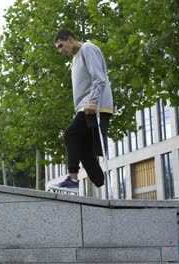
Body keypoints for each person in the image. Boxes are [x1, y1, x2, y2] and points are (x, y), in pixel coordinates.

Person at [52, 29, 114, 191]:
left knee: (71, 134)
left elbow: (99, 77)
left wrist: (93, 101)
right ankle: (101, 183)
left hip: (94, 107)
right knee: (85, 151)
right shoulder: (75, 59)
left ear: (70, 39)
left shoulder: (88, 49)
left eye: (61, 45)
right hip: (85, 107)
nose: (60, 50)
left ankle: (72, 179)